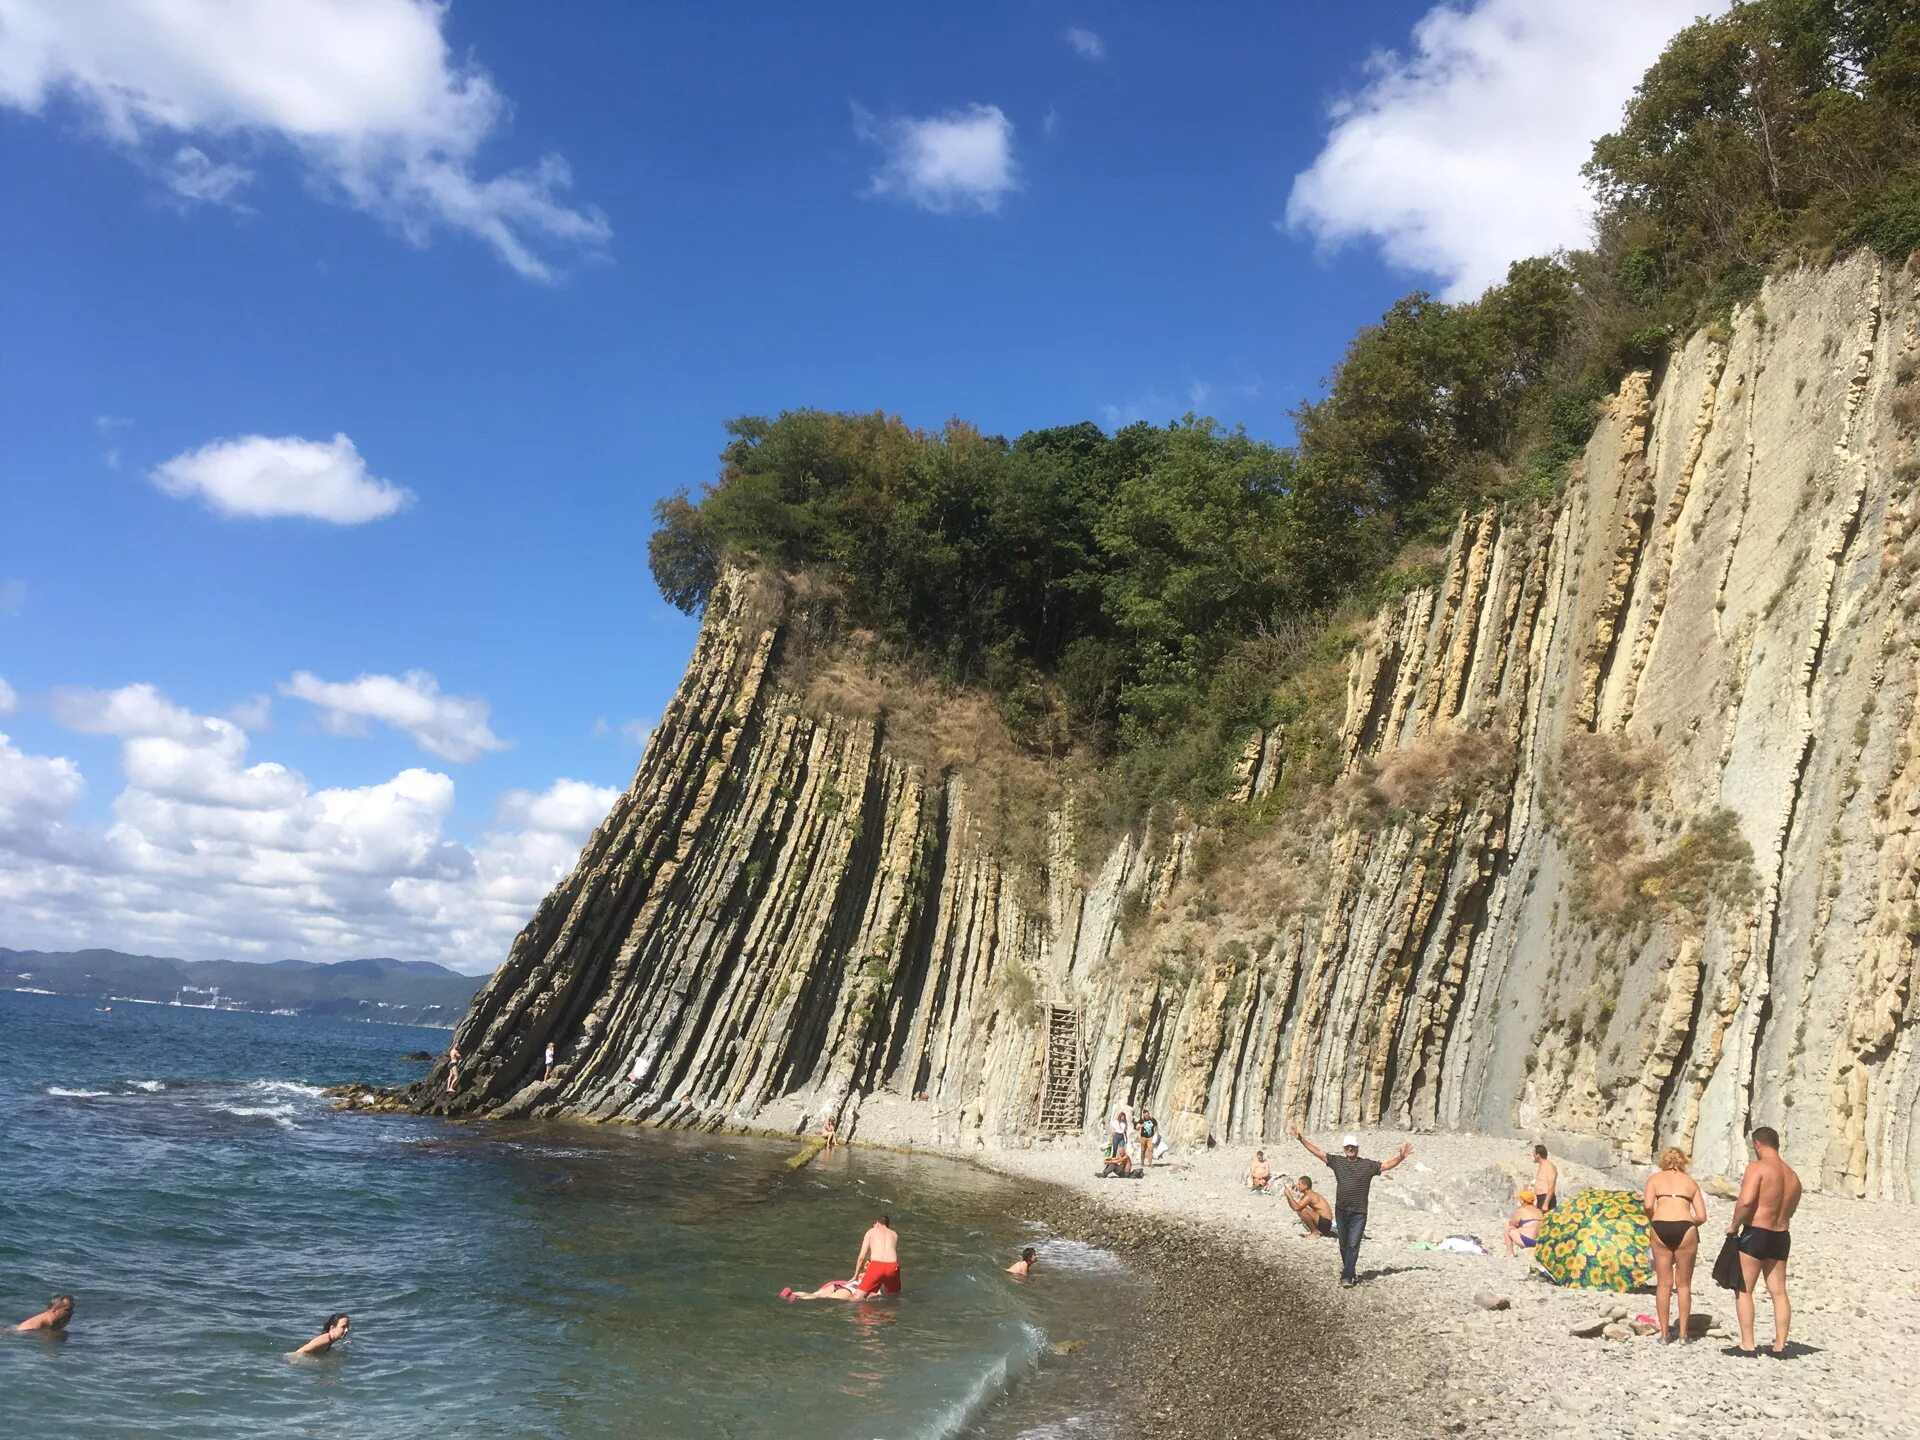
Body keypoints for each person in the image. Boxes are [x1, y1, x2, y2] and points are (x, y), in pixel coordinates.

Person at [1291, 1124, 1413, 1287]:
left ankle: (1347, 1276)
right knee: (1343, 1244)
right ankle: (1350, 1270)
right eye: (1348, 1147)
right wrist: (1301, 1139)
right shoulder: (1337, 1162)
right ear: (1344, 1148)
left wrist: (1400, 1158)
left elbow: (1385, 1165)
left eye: (1353, 1147)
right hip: (1341, 1211)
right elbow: (1317, 1152)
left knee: (1353, 1244)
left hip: (1359, 1213)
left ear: (1357, 1148)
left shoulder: (1367, 1165)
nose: (1350, 1149)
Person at [1729, 1126, 1801, 1356]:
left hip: (1756, 1233)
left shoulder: (1757, 1168)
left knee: (1744, 1289)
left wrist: (1734, 1225)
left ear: (1757, 1144)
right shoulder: (1793, 1176)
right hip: (1781, 1235)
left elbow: (1747, 1200)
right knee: (1779, 1292)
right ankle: (1780, 1346)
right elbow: (1791, 1209)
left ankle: (1747, 1344)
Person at [1643, 1146, 1707, 1344]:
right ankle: (1683, 1335)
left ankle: (1664, 1335)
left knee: (1663, 1284)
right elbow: (1702, 1216)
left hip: (1660, 1226)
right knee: (1684, 1285)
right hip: (1685, 1227)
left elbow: (1647, 1205)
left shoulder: (1654, 1179)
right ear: (1683, 1162)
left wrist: (1656, 1219)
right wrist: (1686, 1222)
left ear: (1663, 1161)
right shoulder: (1690, 1182)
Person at [788, 1214, 901, 1301]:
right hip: (893, 1267)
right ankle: (891, 1322)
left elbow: (861, 1257)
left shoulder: (871, 1232)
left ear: (876, 1223)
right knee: (893, 1298)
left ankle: (865, 1327)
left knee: (856, 1299)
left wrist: (856, 1275)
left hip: (876, 1266)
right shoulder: (894, 1234)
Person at [1503, 1190, 1545, 1256]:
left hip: (1526, 1241)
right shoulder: (1539, 1211)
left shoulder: (1522, 1211)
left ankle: (1510, 1253)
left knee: (1507, 1226)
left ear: (1522, 1201)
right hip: (1537, 1242)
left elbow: (1512, 1223)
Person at [1531, 1144, 1558, 1212]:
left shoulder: (1548, 1166)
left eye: (1534, 1154)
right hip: (1541, 1198)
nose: (1533, 1156)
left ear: (1538, 1155)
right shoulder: (1542, 1166)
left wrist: (1546, 1203)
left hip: (1546, 1198)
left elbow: (1551, 1185)